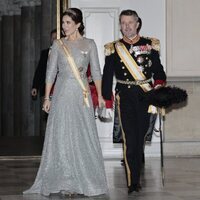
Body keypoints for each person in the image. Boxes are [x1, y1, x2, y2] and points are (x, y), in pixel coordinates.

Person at [24, 8, 108, 197]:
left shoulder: (90, 44)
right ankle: (64, 180)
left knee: (82, 135)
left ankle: (84, 179)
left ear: (78, 24)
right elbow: (50, 73)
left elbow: (96, 72)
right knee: (62, 136)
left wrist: (101, 96)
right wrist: (47, 97)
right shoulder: (58, 44)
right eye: (63, 23)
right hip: (62, 94)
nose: (64, 26)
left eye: (68, 23)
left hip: (82, 96)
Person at [102, 9, 166, 194]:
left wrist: (160, 86)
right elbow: (107, 76)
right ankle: (133, 181)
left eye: (130, 22)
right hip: (125, 98)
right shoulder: (113, 47)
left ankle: (137, 174)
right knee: (129, 140)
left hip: (145, 97)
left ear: (138, 23)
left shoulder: (150, 44)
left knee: (139, 139)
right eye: (123, 23)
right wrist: (107, 98)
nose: (126, 26)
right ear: (120, 25)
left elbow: (159, 72)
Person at [31, 29, 57, 135]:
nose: (55, 39)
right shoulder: (45, 53)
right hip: (47, 88)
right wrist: (35, 87)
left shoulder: (66, 52)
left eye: (57, 37)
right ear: (50, 39)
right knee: (48, 114)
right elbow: (40, 71)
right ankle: (48, 139)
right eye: (53, 37)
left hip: (61, 88)